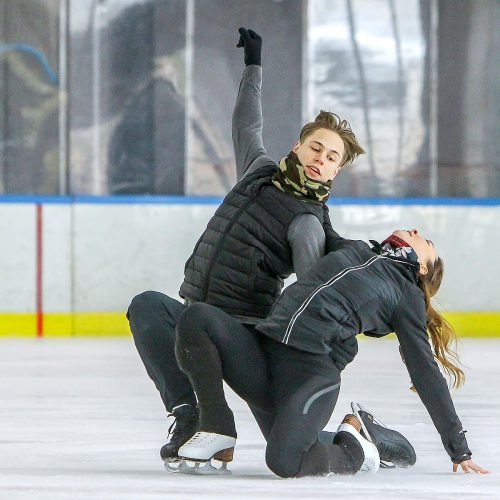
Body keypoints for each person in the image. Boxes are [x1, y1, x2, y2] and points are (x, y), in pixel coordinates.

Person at [127, 27, 410, 469]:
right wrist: (253, 67)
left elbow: (313, 298)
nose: (321, 158)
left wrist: (314, 364)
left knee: (298, 448)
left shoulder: (306, 223)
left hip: (244, 335)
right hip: (198, 319)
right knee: (148, 307)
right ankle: (189, 416)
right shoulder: (257, 171)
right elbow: (246, 121)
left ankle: (362, 438)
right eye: (316, 147)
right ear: (298, 146)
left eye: (332, 157)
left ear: (334, 173)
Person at [175, 229, 490, 477]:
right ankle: (215, 423)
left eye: (427, 241)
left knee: (285, 461)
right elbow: (314, 219)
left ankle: (357, 447)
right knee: (198, 317)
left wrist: (458, 448)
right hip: (264, 351)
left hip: (310, 374)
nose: (416, 231)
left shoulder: (406, 294)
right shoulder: (355, 248)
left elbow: (424, 369)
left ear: (422, 266)